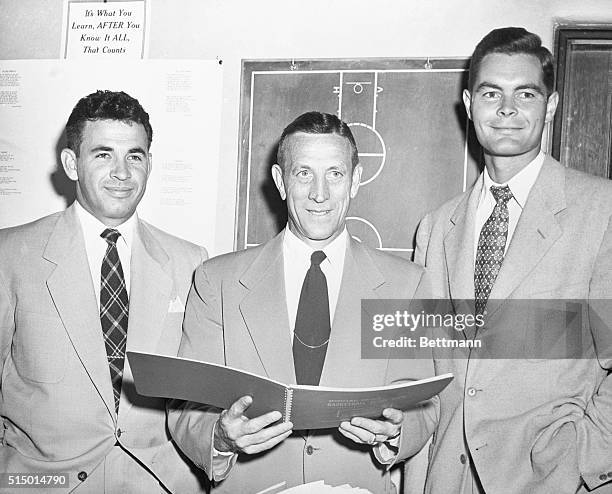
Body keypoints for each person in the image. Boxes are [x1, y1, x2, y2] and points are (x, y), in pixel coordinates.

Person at [168, 111, 429, 493]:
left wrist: (396, 431)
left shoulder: (406, 284)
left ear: (355, 180)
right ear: (280, 181)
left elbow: (425, 402)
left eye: (335, 174)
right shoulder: (216, 280)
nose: (319, 193)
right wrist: (221, 438)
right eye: (304, 173)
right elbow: (186, 405)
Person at [406, 27, 612, 493]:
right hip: (447, 478)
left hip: (553, 480)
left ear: (551, 106)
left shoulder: (602, 212)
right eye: (491, 93)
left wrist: (584, 457)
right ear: (469, 103)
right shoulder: (437, 227)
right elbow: (422, 368)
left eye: (525, 93)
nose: (506, 109)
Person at [0, 90, 208, 493]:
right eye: (102, 154)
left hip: (159, 483)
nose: (122, 173)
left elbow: (194, 399)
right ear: (71, 163)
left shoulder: (190, 261)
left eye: (135, 155)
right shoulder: (11, 255)